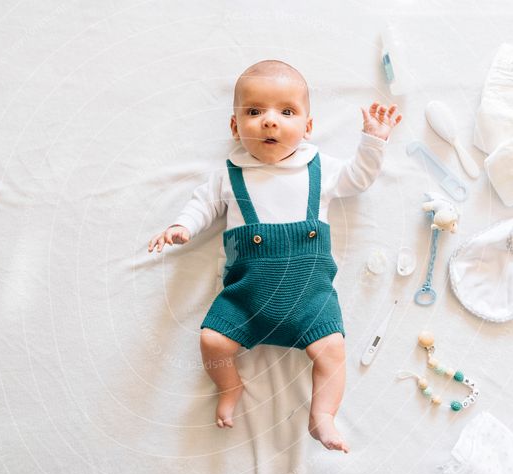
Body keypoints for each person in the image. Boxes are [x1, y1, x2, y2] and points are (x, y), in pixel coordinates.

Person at [148, 60, 402, 453]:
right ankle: (229, 386)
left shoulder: (320, 169)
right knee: (212, 341)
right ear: (235, 128)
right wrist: (182, 227)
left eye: (286, 112)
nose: (270, 122)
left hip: (311, 302)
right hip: (245, 299)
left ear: (308, 127)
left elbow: (359, 178)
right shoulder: (228, 175)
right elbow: (201, 205)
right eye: (254, 112)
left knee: (332, 351)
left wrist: (373, 141)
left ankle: (323, 416)